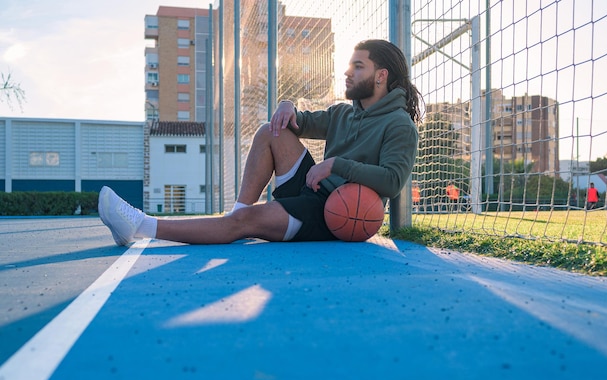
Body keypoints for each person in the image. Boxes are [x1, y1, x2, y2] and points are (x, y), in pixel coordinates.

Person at [99, 39, 422, 246]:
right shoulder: (343, 113)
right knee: (272, 130)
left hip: (335, 214)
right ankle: (236, 218)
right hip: (314, 189)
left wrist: (337, 165)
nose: (347, 72)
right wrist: (287, 105)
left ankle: (141, 226)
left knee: (244, 223)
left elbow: (392, 182)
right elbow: (298, 122)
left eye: (358, 66)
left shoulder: (399, 125)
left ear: (381, 76)